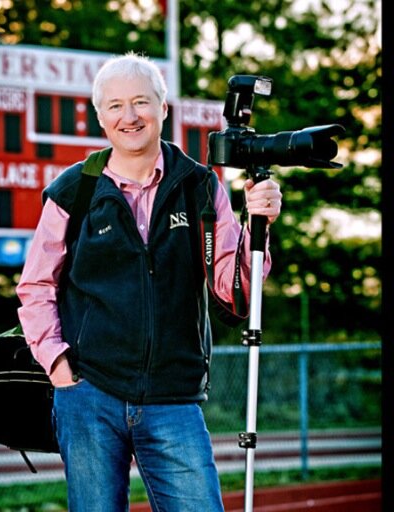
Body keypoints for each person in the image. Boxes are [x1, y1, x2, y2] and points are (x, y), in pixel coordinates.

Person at [16, 52, 282, 512]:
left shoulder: (200, 186)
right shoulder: (73, 190)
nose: (129, 116)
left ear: (163, 108)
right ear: (100, 117)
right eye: (115, 105)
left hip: (173, 396)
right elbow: (36, 287)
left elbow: (231, 288)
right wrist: (60, 368)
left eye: (141, 102)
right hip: (89, 394)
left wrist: (259, 225)